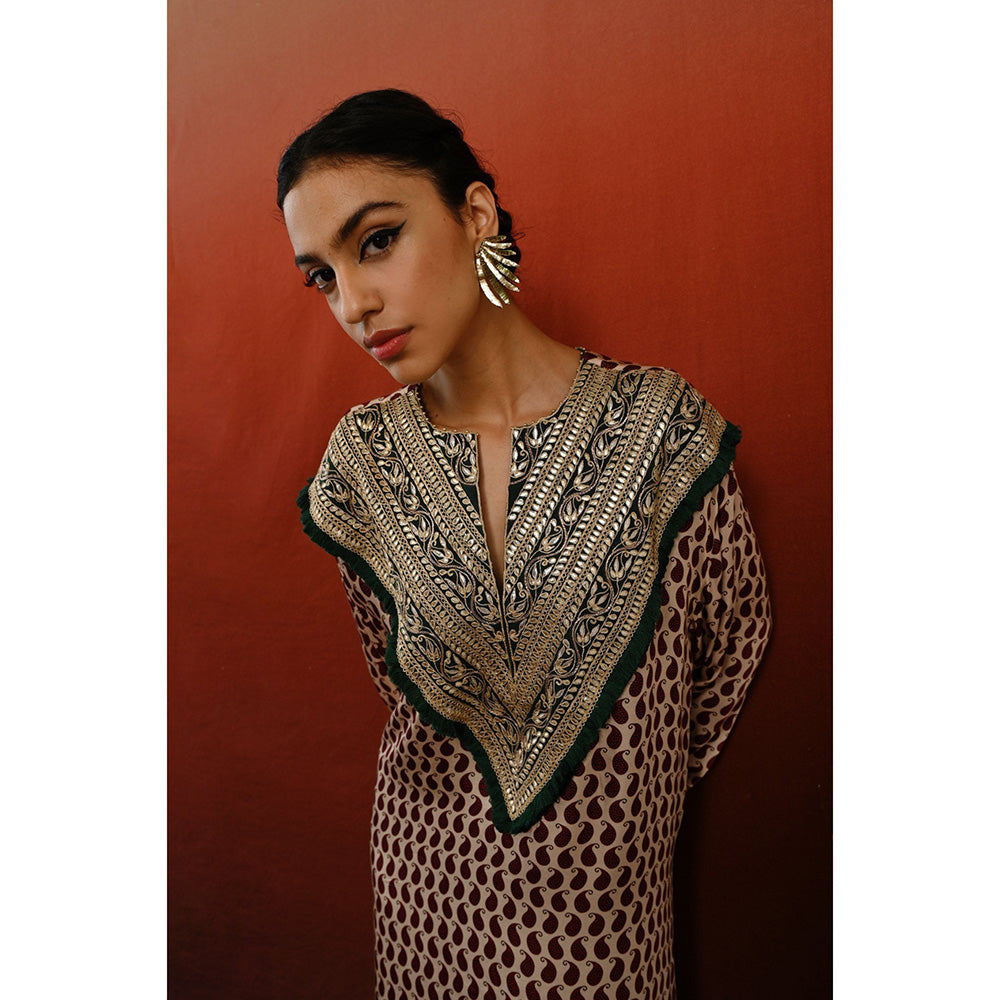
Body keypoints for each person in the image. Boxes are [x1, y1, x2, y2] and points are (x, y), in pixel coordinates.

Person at [278, 88, 773, 1000]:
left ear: (474, 213)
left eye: (376, 240)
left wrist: (609, 799)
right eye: (322, 276)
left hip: (606, 921)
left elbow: (727, 645)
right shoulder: (364, 465)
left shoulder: (661, 430)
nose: (353, 302)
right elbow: (398, 681)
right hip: (425, 908)